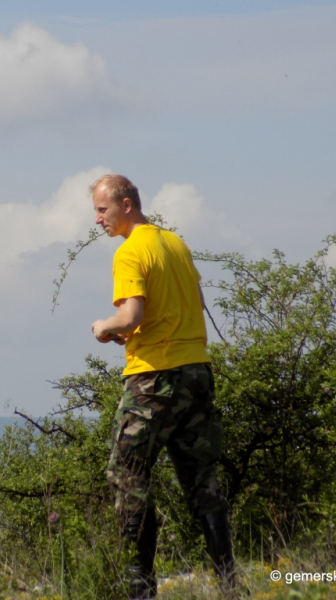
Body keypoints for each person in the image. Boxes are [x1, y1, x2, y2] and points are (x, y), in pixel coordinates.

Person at [90, 174, 234, 598]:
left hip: (153, 377)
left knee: (126, 474)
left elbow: (131, 316)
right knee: (202, 482)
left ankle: (140, 589)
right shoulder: (175, 244)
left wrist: (103, 328)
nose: (98, 220)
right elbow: (189, 304)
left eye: (103, 210)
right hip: (198, 373)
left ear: (127, 205)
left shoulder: (130, 251)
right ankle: (229, 584)